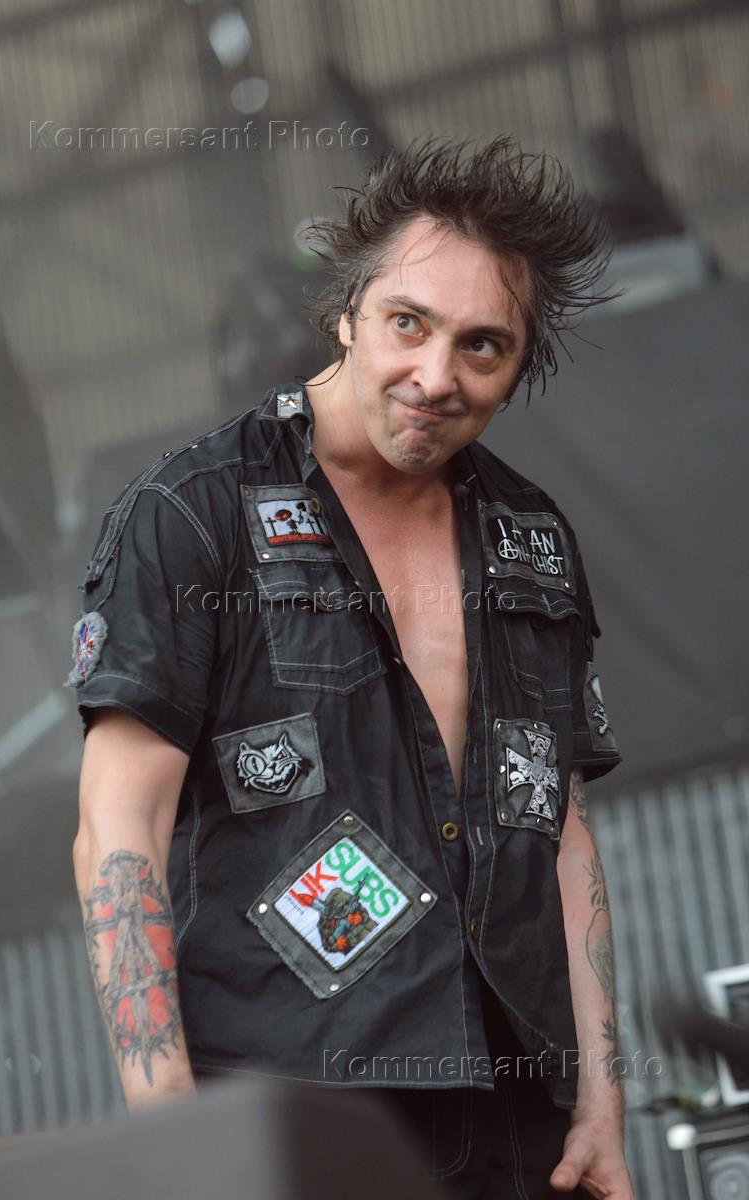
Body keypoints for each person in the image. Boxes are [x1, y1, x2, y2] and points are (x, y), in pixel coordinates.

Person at [70, 137, 635, 1199]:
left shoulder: (530, 537)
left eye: (482, 346)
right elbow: (117, 826)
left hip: (521, 1114)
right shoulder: (191, 513)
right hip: (298, 1113)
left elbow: (557, 831)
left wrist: (600, 1102)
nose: (436, 377)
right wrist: (169, 1128)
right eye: (407, 323)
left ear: (520, 365)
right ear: (346, 311)